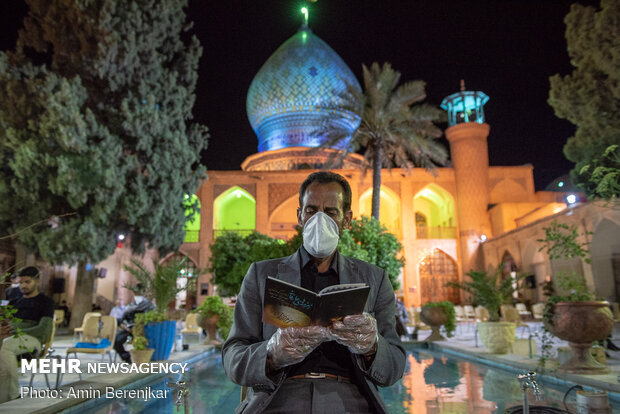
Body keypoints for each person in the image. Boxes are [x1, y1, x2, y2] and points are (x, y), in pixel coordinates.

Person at [222, 171, 406, 413]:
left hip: (349, 398)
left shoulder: (374, 279)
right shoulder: (261, 275)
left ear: (347, 220)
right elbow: (233, 356)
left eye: (330, 212)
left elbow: (394, 365)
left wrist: (371, 345)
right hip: (280, 397)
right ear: (299, 215)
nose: (320, 220)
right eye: (311, 210)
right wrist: (271, 353)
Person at [0, 266, 54, 403]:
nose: (23, 285)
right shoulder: (14, 302)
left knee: (6, 346)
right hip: (11, 338)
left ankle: (13, 396)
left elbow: (43, 330)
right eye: (21, 282)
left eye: (27, 282)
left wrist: (14, 332)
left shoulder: (45, 302)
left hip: (33, 341)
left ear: (37, 281)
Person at [113, 286, 155, 362]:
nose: (137, 294)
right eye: (136, 293)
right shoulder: (131, 306)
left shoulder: (149, 306)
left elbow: (151, 319)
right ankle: (127, 358)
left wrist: (138, 328)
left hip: (143, 330)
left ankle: (143, 359)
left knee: (143, 343)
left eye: (139, 292)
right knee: (116, 340)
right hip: (128, 329)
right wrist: (125, 327)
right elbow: (123, 319)